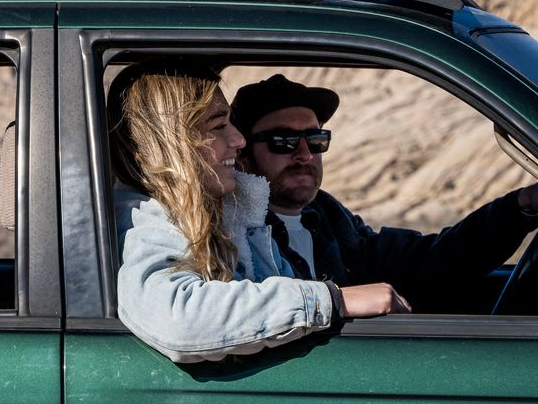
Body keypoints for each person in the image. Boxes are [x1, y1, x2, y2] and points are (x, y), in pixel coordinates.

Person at [108, 62, 410, 364]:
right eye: (219, 126)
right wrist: (333, 300)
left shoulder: (247, 214)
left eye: (316, 140)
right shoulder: (142, 221)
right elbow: (177, 319)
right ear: (173, 139)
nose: (238, 140)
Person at [230, 74, 538, 311]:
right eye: (283, 141)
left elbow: (429, 259)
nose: (305, 154)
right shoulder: (233, 234)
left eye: (316, 140)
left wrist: (520, 206)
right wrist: (336, 301)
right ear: (242, 154)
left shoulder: (329, 218)